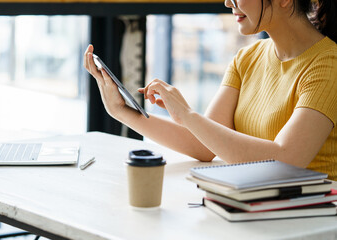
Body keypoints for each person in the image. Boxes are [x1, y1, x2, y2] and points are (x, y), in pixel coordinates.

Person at [84, 0, 337, 180]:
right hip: (257, 211)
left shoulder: (328, 64)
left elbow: (285, 161)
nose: (228, 2)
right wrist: (122, 111)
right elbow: (203, 145)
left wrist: (188, 115)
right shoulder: (247, 58)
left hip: (310, 222)